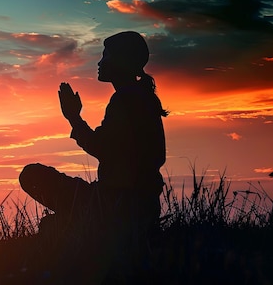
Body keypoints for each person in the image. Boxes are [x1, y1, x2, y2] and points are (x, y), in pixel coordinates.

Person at [19, 31, 167, 279]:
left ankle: (85, 230)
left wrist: (73, 118)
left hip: (115, 205)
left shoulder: (126, 99)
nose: (99, 63)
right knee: (52, 225)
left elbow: (102, 149)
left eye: (105, 55)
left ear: (121, 60)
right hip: (133, 205)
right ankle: (80, 226)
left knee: (32, 176)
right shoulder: (141, 97)